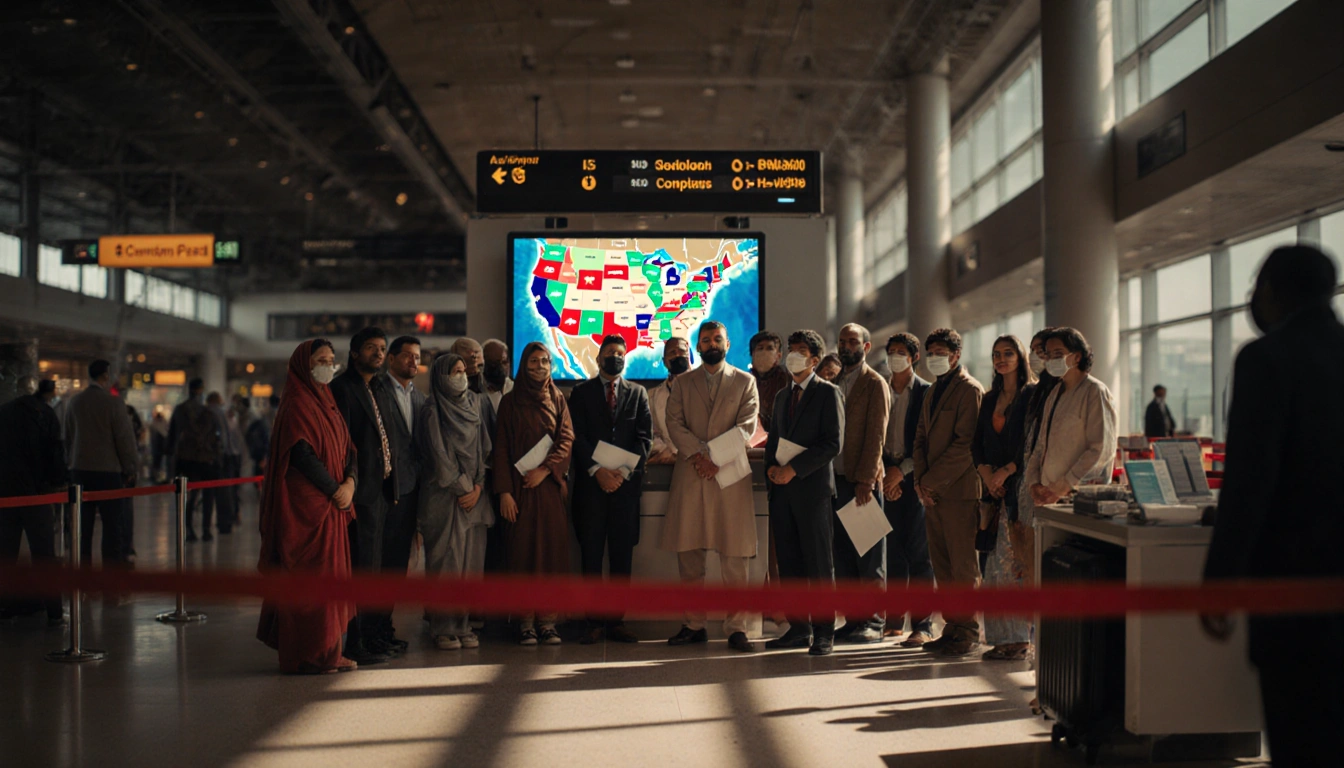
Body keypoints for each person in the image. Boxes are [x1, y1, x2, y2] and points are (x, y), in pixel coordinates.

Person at [1201, 245, 1343, 764]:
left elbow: (1249, 482)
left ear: (1274, 291)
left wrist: (1220, 579)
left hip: (1292, 582)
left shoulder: (1266, 359)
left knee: (1301, 731)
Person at [256, 339, 358, 675]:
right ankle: (308, 654)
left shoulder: (327, 402)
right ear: (304, 364)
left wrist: (350, 484)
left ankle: (330, 652)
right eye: (321, 360)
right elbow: (301, 453)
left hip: (333, 503)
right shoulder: (298, 403)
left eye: (331, 360)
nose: (328, 366)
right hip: (307, 508)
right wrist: (334, 490)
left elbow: (349, 449)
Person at [660, 321, 760, 653]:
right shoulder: (683, 383)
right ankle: (694, 624)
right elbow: (673, 423)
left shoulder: (745, 382)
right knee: (690, 556)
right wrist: (701, 455)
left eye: (717, 338)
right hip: (692, 474)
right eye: (705, 340)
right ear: (697, 347)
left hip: (730, 476)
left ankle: (736, 628)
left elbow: (746, 426)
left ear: (728, 344)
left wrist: (715, 457)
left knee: (734, 559)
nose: (711, 344)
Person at [762, 330, 843, 656]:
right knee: (790, 562)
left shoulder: (828, 393)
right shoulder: (783, 396)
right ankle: (798, 628)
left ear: (814, 360)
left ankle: (824, 632)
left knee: (819, 563)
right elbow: (773, 439)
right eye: (790, 350)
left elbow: (832, 444)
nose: (792, 355)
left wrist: (793, 469)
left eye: (800, 351)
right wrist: (771, 469)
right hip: (782, 492)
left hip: (812, 490)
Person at [570, 335, 653, 644]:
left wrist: (620, 473)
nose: (615, 357)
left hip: (625, 490)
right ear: (599, 357)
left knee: (621, 558)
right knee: (590, 556)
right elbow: (576, 437)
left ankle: (617, 621)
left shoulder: (638, 393)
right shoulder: (580, 393)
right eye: (610, 352)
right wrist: (597, 472)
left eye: (620, 353)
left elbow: (644, 438)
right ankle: (593, 621)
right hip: (591, 490)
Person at [493, 342, 575, 645]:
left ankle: (548, 622)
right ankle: (525, 622)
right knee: (522, 554)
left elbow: (566, 439)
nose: (540, 367)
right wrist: (504, 492)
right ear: (523, 366)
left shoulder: (558, 399)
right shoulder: (510, 402)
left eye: (545, 361)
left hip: (549, 490)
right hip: (519, 491)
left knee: (550, 555)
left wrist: (546, 470)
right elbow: (500, 448)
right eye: (533, 362)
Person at [328, 326, 401, 664]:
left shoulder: (382, 387)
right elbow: (342, 443)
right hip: (361, 491)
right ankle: (355, 642)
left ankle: (373, 637)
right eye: (371, 347)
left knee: (378, 568)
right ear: (354, 353)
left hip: (385, 489)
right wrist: (350, 480)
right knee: (361, 568)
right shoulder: (342, 388)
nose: (378, 353)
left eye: (382, 347)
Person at [911, 328, 985, 656]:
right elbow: (921, 438)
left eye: (941, 352)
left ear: (956, 354)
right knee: (942, 564)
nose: (935, 358)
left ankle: (967, 631)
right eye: (931, 352)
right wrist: (919, 481)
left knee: (963, 566)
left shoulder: (969, 390)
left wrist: (932, 481)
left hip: (959, 491)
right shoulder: (933, 390)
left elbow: (965, 445)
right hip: (932, 491)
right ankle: (951, 627)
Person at [417, 352, 494, 651]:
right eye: (455, 371)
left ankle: (462, 625)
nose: (461, 375)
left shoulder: (474, 403)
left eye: (463, 370)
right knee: (445, 562)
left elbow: (483, 449)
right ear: (441, 376)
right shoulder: (433, 410)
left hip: (473, 497)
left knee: (468, 566)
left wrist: (477, 486)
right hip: (444, 497)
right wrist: (464, 488)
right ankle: (443, 627)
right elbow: (441, 460)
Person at [971, 335, 1037, 661]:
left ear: (1020, 357)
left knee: (1014, 567)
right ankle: (1001, 638)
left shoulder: (1031, 396)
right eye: (996, 354)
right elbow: (977, 444)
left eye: (1008, 353)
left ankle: (1021, 639)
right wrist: (986, 474)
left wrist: (1007, 471)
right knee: (992, 566)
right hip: (992, 491)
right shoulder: (989, 398)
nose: (1001, 359)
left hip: (1020, 489)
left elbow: (1031, 444)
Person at [830, 323, 891, 644]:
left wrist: (867, 480)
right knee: (843, 556)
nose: (845, 346)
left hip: (862, 481)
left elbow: (876, 436)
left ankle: (874, 621)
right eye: (841, 341)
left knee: (869, 556)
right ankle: (853, 619)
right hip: (835, 481)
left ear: (866, 347)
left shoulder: (875, 383)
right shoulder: (836, 381)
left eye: (852, 341)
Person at [1023, 328, 1118, 510]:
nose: (1051, 360)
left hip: (1080, 498)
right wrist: (1033, 482)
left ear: (1077, 357)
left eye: (1058, 354)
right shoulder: (1054, 394)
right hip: (1048, 497)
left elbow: (1100, 450)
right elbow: (1041, 445)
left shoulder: (1095, 392)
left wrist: (1063, 486)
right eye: (1049, 355)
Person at [880, 333, 935, 646]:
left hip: (913, 478)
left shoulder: (926, 393)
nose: (895, 357)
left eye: (901, 352)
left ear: (914, 357)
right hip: (884, 478)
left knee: (919, 555)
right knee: (892, 553)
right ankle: (894, 619)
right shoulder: (880, 389)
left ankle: (924, 624)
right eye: (891, 352)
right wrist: (886, 477)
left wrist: (901, 473)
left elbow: (928, 443)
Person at [0, 378, 68, 623]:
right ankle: (54, 611)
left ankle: (5, 605)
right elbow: (55, 454)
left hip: (5, 495)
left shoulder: (3, 413)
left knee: (5, 553)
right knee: (44, 555)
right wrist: (57, 482)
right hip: (36, 494)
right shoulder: (45, 415)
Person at [64, 359, 139, 569]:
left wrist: (70, 461)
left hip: (79, 470)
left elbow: (68, 436)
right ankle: (110, 570)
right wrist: (131, 468)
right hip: (108, 472)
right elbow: (124, 439)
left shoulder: (75, 401)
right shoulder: (113, 403)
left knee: (82, 525)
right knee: (112, 525)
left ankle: (83, 569)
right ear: (105, 377)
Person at [379, 335, 426, 648]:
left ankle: (385, 629)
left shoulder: (419, 398)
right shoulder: (376, 391)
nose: (413, 361)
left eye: (417, 356)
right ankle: (370, 630)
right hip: (383, 493)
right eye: (407, 356)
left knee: (397, 564)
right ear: (391, 359)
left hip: (410, 493)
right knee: (376, 565)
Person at [167, 379, 223, 542]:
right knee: (208, 495)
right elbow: (217, 438)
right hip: (206, 459)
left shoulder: (180, 410)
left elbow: (172, 437)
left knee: (189, 495)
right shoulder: (208, 412)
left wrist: (171, 462)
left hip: (187, 459)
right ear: (201, 390)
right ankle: (206, 530)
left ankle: (188, 529)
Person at [479, 339, 514, 580]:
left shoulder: (518, 392)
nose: (497, 368)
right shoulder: (473, 393)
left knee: (510, 540)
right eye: (491, 363)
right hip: (482, 478)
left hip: (512, 477)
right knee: (486, 542)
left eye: (501, 362)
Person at [648, 337, 691, 464]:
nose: (677, 354)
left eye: (682, 351)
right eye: (672, 352)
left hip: (702, 464)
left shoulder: (706, 388)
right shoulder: (652, 395)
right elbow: (649, 431)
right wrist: (667, 452)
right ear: (664, 361)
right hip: (667, 462)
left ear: (689, 356)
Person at [207, 392, 241, 534]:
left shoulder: (207, 412)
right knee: (225, 492)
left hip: (209, 458)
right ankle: (225, 523)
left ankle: (206, 527)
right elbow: (225, 438)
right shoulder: (220, 414)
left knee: (209, 494)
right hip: (224, 458)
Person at [748, 331, 791, 434]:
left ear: (778, 356)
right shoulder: (745, 380)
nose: (764, 353)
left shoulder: (786, 379)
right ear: (752, 354)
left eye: (770, 348)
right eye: (760, 348)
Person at [150, 410, 170, 482]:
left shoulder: (154, 424)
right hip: (158, 446)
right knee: (158, 462)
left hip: (158, 446)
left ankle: (156, 476)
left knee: (157, 462)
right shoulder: (162, 423)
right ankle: (156, 476)